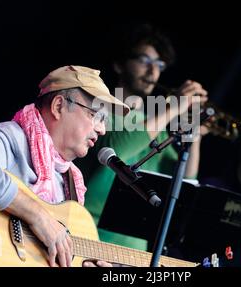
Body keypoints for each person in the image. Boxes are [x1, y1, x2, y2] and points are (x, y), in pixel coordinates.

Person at [0, 65, 130, 267]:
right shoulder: (14, 138)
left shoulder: (71, 181)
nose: (102, 129)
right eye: (96, 115)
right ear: (59, 106)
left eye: (105, 120)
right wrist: (38, 216)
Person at [76, 23, 209, 251]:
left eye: (159, 64)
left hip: (136, 250)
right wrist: (173, 107)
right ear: (119, 64)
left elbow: (184, 180)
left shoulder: (156, 123)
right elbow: (115, 147)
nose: (152, 71)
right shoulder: (99, 109)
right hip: (89, 237)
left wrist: (193, 133)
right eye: (144, 60)